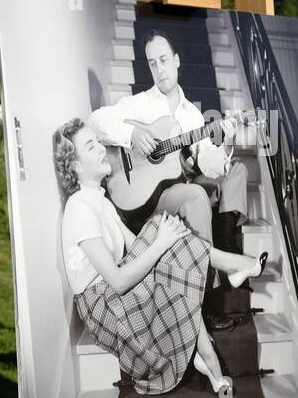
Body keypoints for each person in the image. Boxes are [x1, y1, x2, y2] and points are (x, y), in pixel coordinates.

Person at [53, 118, 266, 398]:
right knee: (158, 235)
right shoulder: (79, 207)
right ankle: (233, 268)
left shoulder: (100, 202)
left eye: (98, 142)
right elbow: (117, 282)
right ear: (76, 166)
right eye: (91, 146)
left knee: (158, 232)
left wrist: (164, 241)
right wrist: (161, 241)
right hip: (106, 308)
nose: (103, 150)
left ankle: (208, 357)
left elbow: (138, 246)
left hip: (116, 293)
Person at [87, 29, 249, 258]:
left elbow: (209, 165)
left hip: (182, 182)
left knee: (237, 168)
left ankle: (224, 243)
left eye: (163, 60)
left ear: (176, 60)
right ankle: (211, 275)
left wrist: (226, 141)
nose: (160, 69)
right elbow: (95, 121)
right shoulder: (140, 104)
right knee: (195, 194)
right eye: (153, 64)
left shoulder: (192, 114)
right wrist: (131, 134)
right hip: (149, 195)